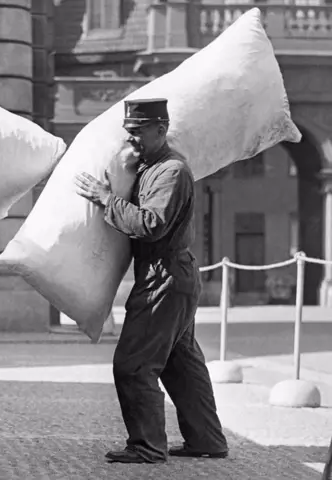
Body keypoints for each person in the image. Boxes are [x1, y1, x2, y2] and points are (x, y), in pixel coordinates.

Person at [74, 98, 228, 464]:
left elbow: (150, 225)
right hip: (173, 277)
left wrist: (104, 198)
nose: (133, 139)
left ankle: (146, 446)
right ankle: (207, 440)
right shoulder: (150, 168)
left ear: (161, 129)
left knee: (134, 364)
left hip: (165, 277)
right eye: (129, 132)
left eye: (139, 131)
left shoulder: (171, 172)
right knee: (181, 365)